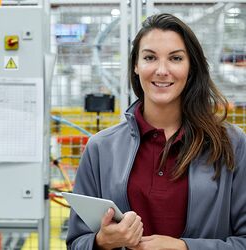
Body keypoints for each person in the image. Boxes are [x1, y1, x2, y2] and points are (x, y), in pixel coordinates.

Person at [66, 13, 246, 250]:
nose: (162, 70)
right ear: (136, 66)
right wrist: (101, 242)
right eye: (150, 57)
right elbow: (77, 243)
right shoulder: (101, 148)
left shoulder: (230, 143)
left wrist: (184, 248)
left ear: (191, 67)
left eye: (175, 58)